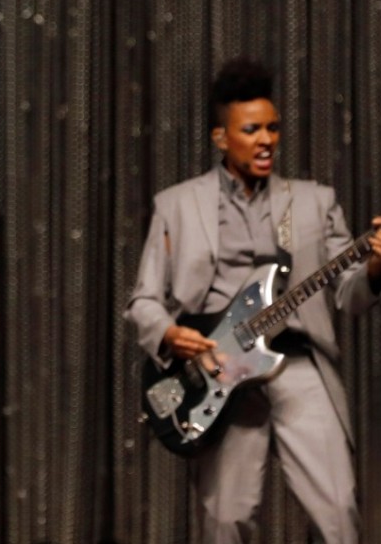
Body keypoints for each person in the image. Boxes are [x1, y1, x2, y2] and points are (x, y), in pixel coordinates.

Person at [125, 56, 381, 543]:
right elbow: (144, 301)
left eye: (273, 127)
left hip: (298, 363)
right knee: (226, 521)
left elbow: (349, 294)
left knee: (339, 511)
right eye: (251, 129)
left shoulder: (312, 201)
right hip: (217, 370)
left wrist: (373, 268)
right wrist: (169, 334)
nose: (266, 139)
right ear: (221, 138)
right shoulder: (177, 205)